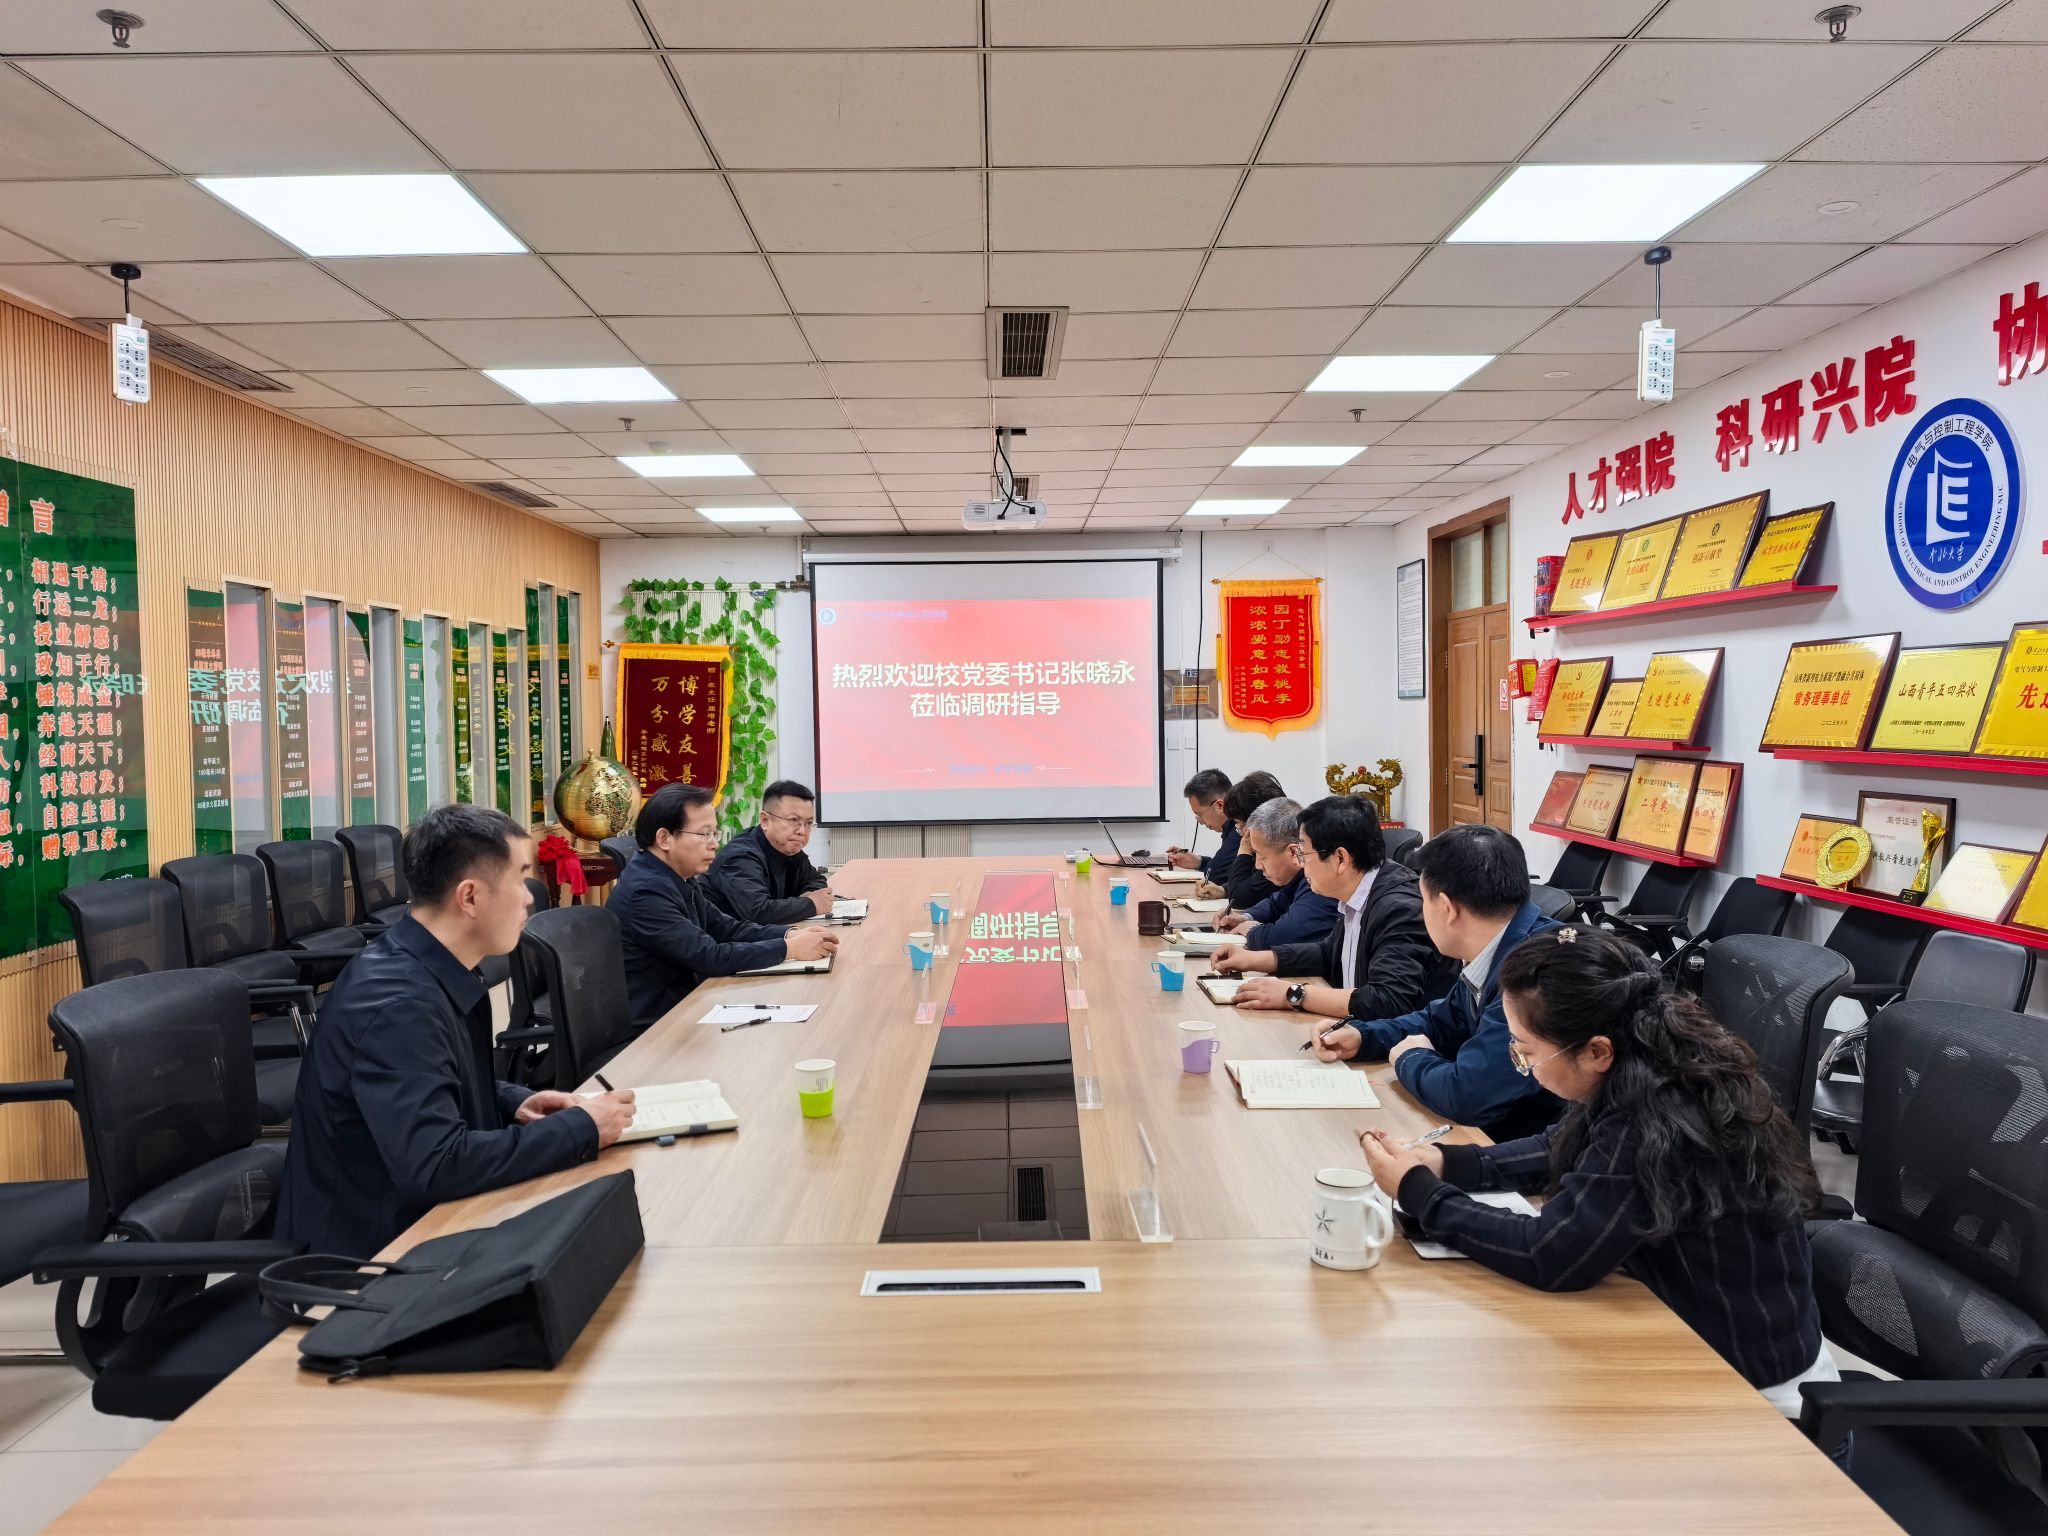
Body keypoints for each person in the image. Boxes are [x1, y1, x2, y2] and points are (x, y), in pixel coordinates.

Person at [1359, 926, 1837, 1416]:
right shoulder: (1647, 1057)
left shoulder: (1653, 1117)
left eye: (1525, 1052)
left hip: (1753, 1395)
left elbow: (1550, 1254)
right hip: (1690, 1331)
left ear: (1596, 1051)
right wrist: (1448, 1162)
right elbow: (1561, 1144)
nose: (1520, 1062)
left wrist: (1421, 1193)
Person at [275, 804, 637, 1258]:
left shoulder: (427, 968)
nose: (530, 897)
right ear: (469, 897)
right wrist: (580, 1129)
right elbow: (437, 1165)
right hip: (368, 1261)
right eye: (520, 878)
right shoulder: (398, 1004)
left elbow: (431, 1078)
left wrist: (513, 1101)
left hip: (429, 1223)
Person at [1309, 824, 1560, 1141]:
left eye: (1423, 901)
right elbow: (1441, 1021)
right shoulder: (1500, 945)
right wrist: (1363, 1036)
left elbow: (1468, 1095)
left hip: (1538, 1149)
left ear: (1446, 908)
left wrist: (1410, 1058)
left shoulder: (1533, 974)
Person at [610, 782, 838, 1027]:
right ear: (665, 838)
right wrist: (789, 949)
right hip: (658, 1024)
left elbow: (726, 928)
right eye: (704, 834)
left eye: (715, 834)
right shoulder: (646, 891)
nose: (714, 844)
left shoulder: (677, 876)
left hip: (690, 1002)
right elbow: (708, 956)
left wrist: (790, 934)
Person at [1211, 795, 1450, 1024]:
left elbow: (1388, 1001)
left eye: (1304, 853)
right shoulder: (1356, 892)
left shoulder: (1398, 908)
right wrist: (1254, 959)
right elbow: (1328, 953)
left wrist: (1293, 994)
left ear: (1340, 859)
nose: (1301, 862)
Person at [1212, 796, 1337, 951]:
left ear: (1293, 852)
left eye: (1261, 855)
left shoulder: (1320, 881)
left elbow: (1286, 935)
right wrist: (1244, 917)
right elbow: (1275, 903)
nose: (1257, 865)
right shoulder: (1298, 878)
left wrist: (1251, 930)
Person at [708, 779, 833, 924]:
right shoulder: (740, 857)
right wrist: (810, 904)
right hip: (720, 936)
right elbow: (758, 912)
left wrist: (808, 895)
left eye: (808, 823)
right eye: (793, 820)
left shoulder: (790, 849)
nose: (802, 831)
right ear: (765, 820)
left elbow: (816, 880)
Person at [1211, 772, 1282, 909]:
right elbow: (1251, 881)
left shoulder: (1277, 853)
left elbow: (1238, 899)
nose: (1241, 832)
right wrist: (1224, 889)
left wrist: (1244, 851)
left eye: (1240, 825)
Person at [1165, 768, 1235, 877]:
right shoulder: (1230, 827)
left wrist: (1203, 864)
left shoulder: (1240, 830)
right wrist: (1198, 862)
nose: (1201, 822)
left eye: (1199, 814)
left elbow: (1215, 875)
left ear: (1220, 805)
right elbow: (1226, 869)